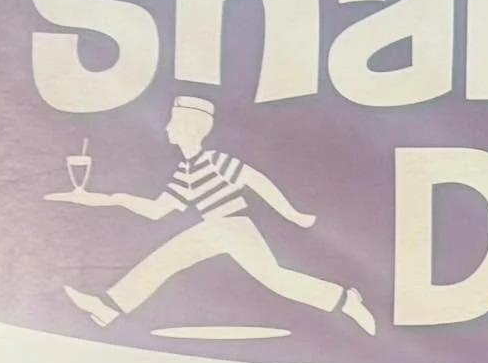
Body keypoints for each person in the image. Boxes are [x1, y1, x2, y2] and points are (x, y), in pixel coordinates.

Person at [47, 95, 377, 334]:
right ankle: (345, 299)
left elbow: (256, 180)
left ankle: (346, 299)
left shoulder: (215, 160)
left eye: (172, 123)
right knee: (271, 278)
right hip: (218, 229)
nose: (165, 129)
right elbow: (158, 210)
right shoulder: (186, 169)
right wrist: (102, 198)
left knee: (271, 278)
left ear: (189, 129)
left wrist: (292, 215)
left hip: (232, 227)